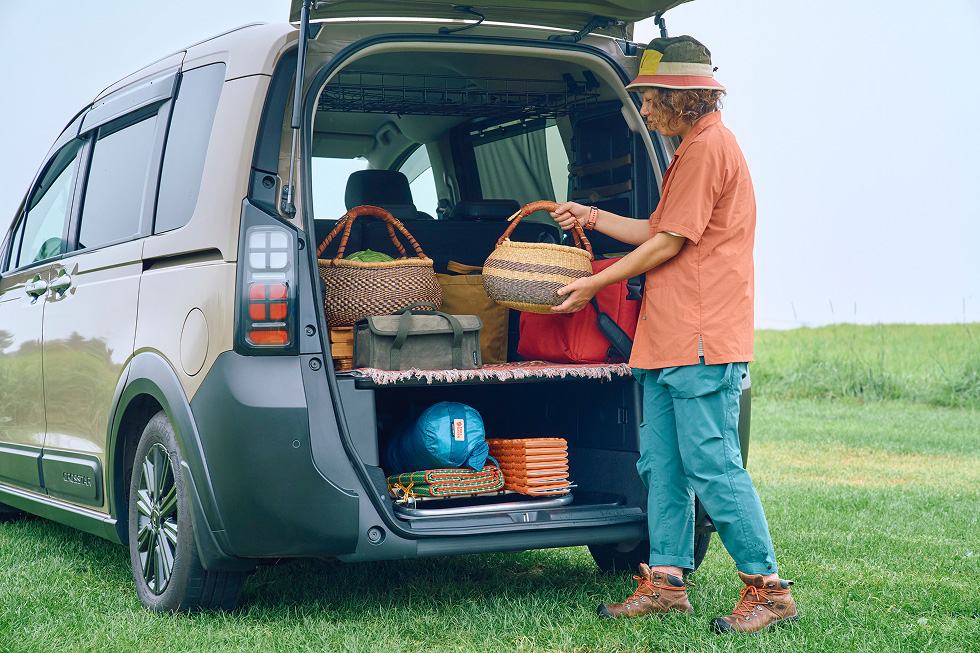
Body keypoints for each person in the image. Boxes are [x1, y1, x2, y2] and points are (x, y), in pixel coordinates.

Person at [549, 35, 797, 634]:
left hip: (702, 335)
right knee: (661, 465)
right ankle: (666, 581)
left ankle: (768, 590)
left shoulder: (711, 148)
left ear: (683, 98)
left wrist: (591, 284)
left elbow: (667, 244)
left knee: (712, 464)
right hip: (665, 338)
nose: (644, 110)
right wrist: (593, 218)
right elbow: (657, 228)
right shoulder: (689, 150)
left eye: (651, 99)